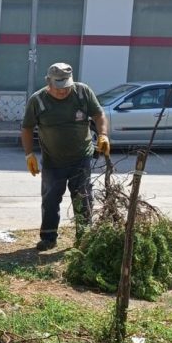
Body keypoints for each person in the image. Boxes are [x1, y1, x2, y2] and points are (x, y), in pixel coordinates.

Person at [20, 62, 110, 251]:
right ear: (48, 82)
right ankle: (49, 237)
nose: (62, 91)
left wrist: (103, 134)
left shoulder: (83, 93)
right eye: (58, 87)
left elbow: (99, 114)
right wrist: (29, 154)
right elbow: (27, 127)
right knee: (50, 199)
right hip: (53, 161)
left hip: (81, 157)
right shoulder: (38, 100)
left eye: (66, 86)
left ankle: (84, 238)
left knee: (83, 198)